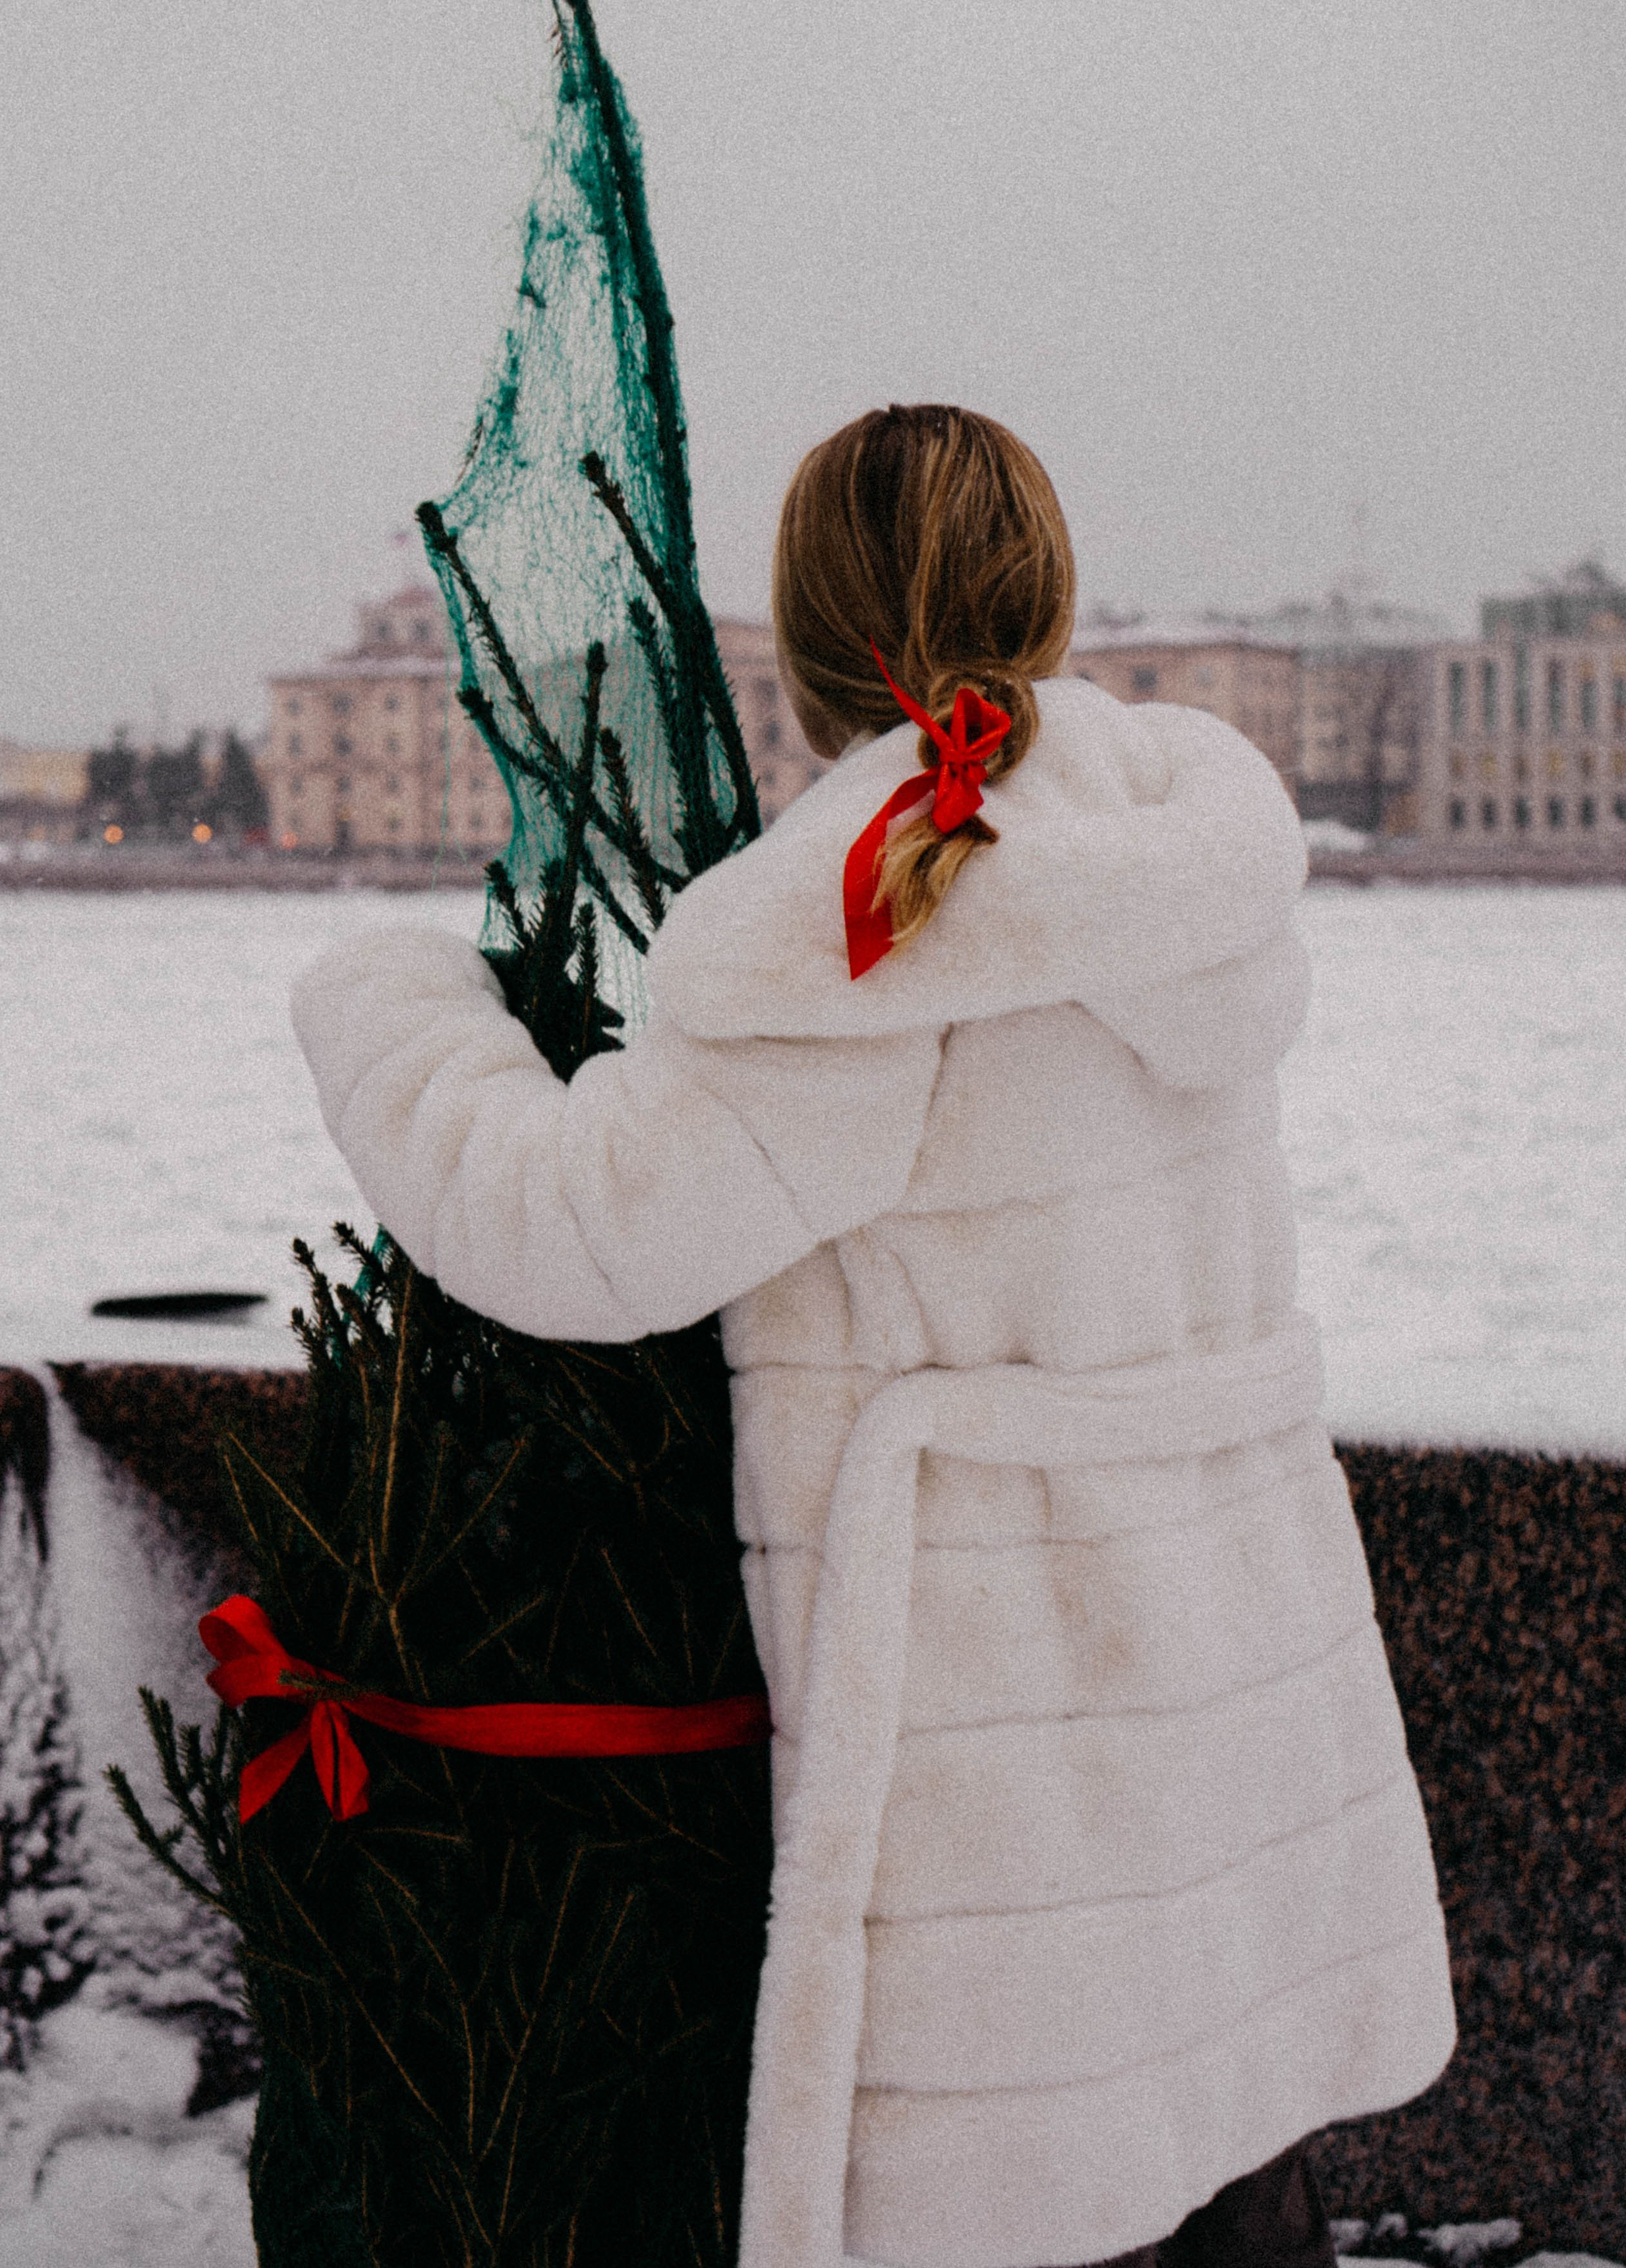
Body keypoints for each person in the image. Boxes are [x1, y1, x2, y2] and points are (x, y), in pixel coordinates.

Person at [290, 404, 1455, 2268]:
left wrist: (392, 1004)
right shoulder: (1176, 863)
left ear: (811, 634)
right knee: (1231, 2153)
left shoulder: (849, 926)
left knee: (1034, 2172)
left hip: (1001, 1732)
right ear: (1049, 591)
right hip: (1233, 1674)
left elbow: (571, 1228)